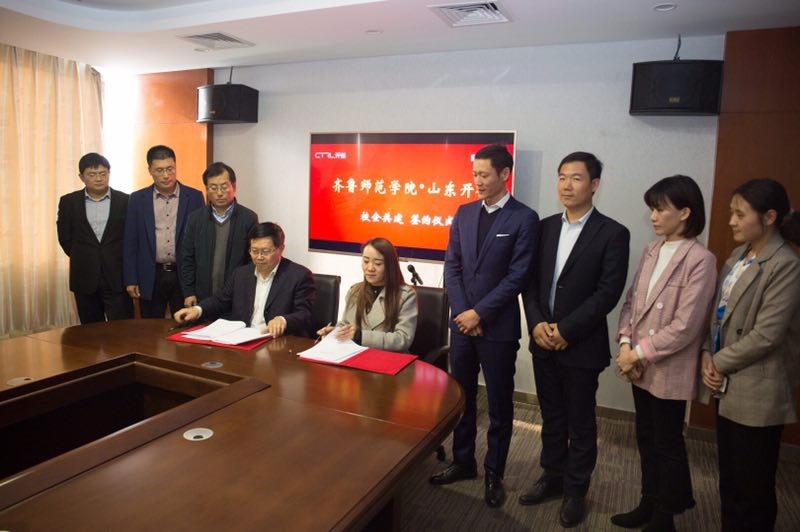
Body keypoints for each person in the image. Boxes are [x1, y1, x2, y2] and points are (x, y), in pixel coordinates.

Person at [520, 151, 629, 528]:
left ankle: (575, 490)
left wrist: (566, 330)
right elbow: (530, 283)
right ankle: (552, 477)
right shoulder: (545, 227)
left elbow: (607, 292)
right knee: (551, 416)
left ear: (594, 185)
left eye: (576, 178)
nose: (566, 185)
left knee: (580, 422)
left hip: (580, 346)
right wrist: (536, 322)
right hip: (542, 340)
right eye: (562, 177)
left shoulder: (613, 233)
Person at [429, 144, 540, 509]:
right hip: (462, 325)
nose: (476, 180)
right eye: (474, 174)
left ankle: (494, 471)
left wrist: (480, 313)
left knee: (499, 403)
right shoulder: (463, 213)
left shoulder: (524, 218)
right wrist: (464, 312)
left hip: (498, 328)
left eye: (483, 174)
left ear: (504, 174)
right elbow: (453, 267)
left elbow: (518, 276)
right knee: (461, 398)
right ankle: (464, 461)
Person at [611, 175, 717, 531]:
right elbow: (631, 303)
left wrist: (637, 353)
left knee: (667, 442)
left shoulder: (700, 259)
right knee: (645, 436)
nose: (653, 216)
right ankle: (648, 501)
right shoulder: (651, 250)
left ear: (685, 212)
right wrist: (625, 344)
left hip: (667, 367)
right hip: (637, 364)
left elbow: (687, 325)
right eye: (652, 209)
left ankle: (665, 515)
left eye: (660, 209)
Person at [700, 178, 800, 532]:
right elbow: (717, 315)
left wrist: (717, 361)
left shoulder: (785, 264)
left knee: (753, 485)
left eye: (740, 214)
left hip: (758, 388)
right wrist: (706, 354)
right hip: (727, 383)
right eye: (732, 212)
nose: (732, 221)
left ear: (769, 217)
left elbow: (767, 335)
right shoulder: (738, 257)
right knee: (730, 478)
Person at [174, 222, 315, 338]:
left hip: (276, 341)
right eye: (254, 251)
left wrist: (283, 320)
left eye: (265, 251)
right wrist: (197, 310)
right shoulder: (241, 274)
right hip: (242, 339)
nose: (259, 257)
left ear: (281, 249)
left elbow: (305, 315)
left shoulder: (299, 275)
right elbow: (221, 300)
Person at [123, 145, 204, 318]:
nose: (166, 175)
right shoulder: (137, 199)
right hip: (151, 273)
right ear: (150, 171)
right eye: (159, 170)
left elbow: (200, 241)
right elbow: (130, 241)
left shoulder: (194, 197)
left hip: (183, 274)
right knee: (150, 326)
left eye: (170, 169)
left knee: (185, 323)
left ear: (175, 166)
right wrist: (131, 279)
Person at [57, 152, 133, 323]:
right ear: (81, 177)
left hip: (118, 277)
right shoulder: (69, 202)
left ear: (109, 173)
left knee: (122, 329)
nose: (98, 179)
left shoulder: (126, 201)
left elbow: (131, 238)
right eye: (92, 174)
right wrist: (85, 255)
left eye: (103, 173)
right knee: (90, 331)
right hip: (84, 276)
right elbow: (65, 238)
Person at [317, 237, 417, 352]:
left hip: (388, 358)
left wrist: (361, 336)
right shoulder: (355, 290)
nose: (370, 268)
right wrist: (335, 332)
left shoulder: (405, 295)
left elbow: (402, 339)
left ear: (390, 266)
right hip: (354, 354)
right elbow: (346, 323)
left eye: (378, 263)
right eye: (365, 261)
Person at [180, 162, 258, 306]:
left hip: (236, 295)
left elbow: (251, 260)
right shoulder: (195, 219)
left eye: (224, 186)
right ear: (206, 189)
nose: (219, 193)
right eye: (213, 188)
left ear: (234, 186)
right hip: (202, 296)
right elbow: (187, 258)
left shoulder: (248, 218)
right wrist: (189, 292)